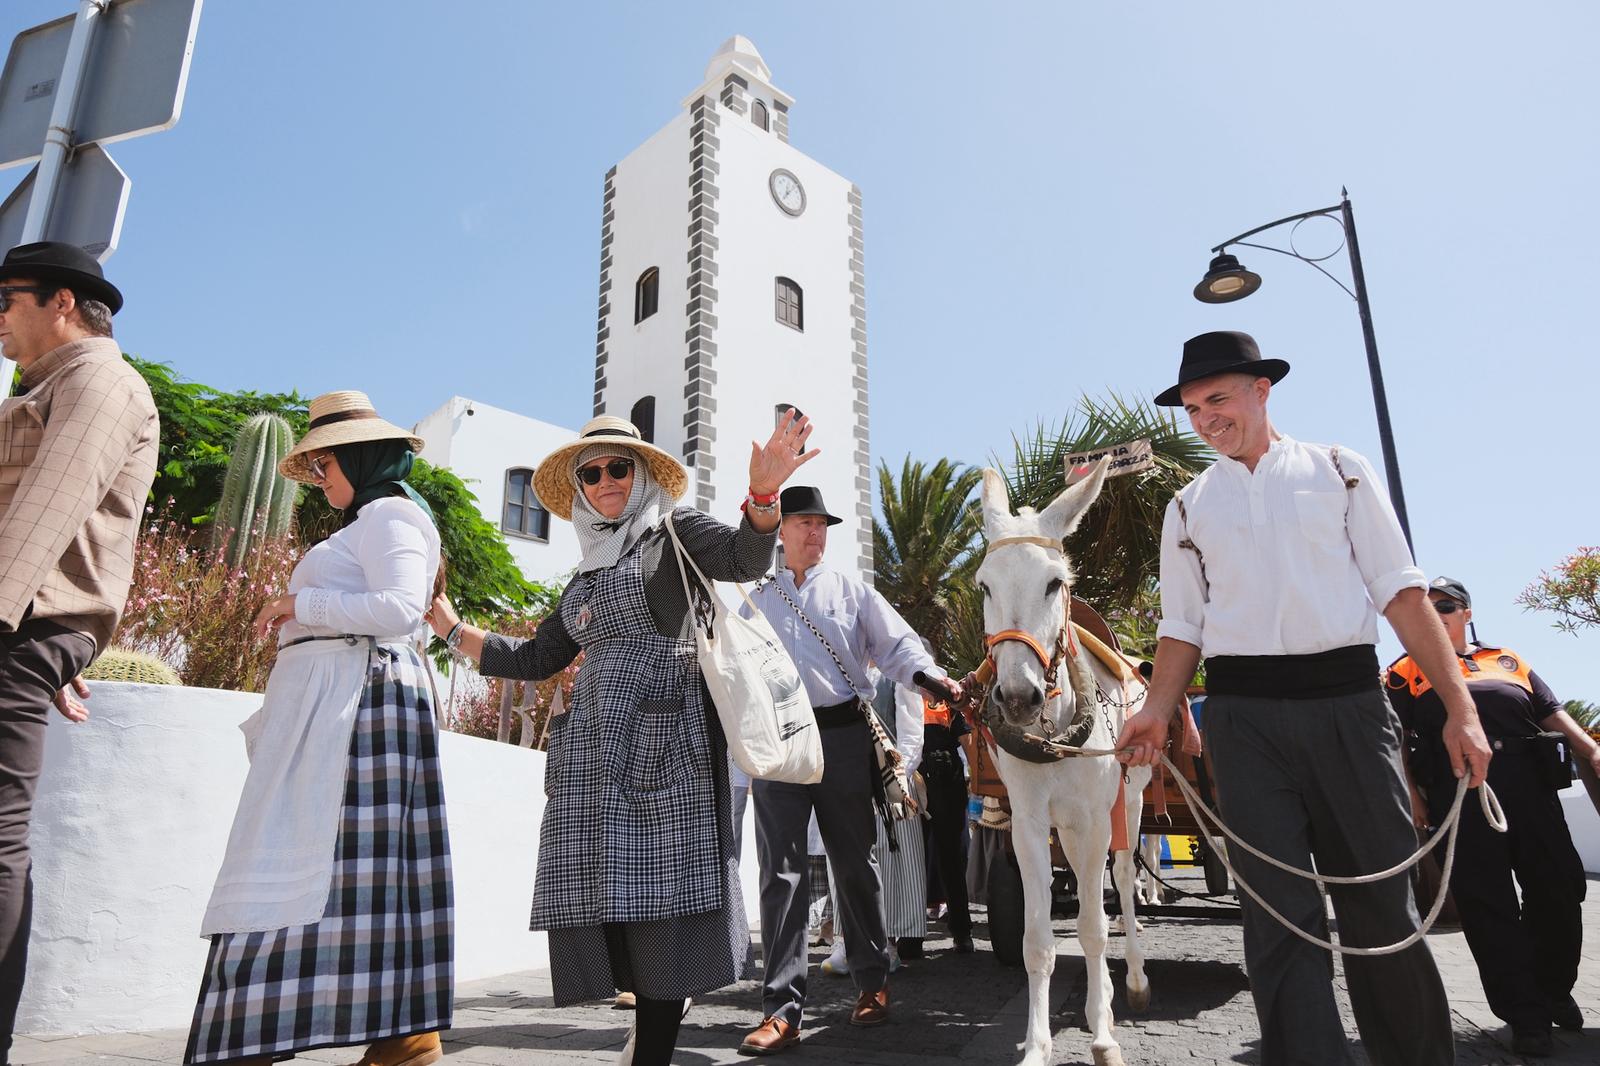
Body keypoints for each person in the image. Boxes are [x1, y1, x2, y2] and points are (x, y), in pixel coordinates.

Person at [1114, 331, 1492, 1066]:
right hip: (1244, 718)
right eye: (1192, 408)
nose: (1204, 419)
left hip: (1349, 704)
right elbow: (1183, 626)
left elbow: (1402, 595)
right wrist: (1158, 709)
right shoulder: (1187, 508)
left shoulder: (1340, 471)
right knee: (1275, 918)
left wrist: (1461, 706)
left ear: (1262, 389)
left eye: (1217, 399)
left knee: (1381, 905)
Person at [425, 412, 815, 1066]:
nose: (606, 480)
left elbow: (746, 558)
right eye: (592, 471)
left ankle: (652, 1054)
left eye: (619, 467)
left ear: (640, 476)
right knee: (614, 916)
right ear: (579, 487)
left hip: (669, 740)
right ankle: (654, 1026)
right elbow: (537, 656)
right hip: (595, 753)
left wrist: (764, 498)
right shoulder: (584, 576)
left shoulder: (675, 532)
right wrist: (448, 626)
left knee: (658, 914)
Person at [183, 392, 448, 1066]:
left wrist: (302, 602)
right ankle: (399, 1039)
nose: (322, 474)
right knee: (341, 871)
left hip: (358, 709)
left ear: (361, 455)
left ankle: (275, 1038)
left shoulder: (389, 515)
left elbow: (400, 608)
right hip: (337, 706)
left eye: (328, 460)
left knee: (321, 863)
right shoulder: (368, 521)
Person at [0, 241, 157, 1058]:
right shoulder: (56, 384)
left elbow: (49, 506)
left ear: (61, 302)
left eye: (6, 300)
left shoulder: (98, 379)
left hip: (17, 627)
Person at [739, 485, 963, 1055]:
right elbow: (733, 670)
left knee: (855, 865)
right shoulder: (755, 601)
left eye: (822, 525)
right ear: (781, 530)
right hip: (780, 744)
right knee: (779, 874)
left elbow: (898, 649)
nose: (816, 534)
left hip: (842, 737)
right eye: (805, 524)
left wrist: (931, 678)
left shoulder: (852, 591)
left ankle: (872, 983)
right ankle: (781, 1009)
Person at [1388, 576, 1595, 1056]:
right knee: (1488, 905)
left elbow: (1551, 711)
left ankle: (1554, 989)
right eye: (1425, 605)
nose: (1435, 611)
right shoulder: (1403, 670)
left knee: (1560, 888)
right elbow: (1393, 738)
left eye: (1446, 604)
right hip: (1458, 791)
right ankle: (1526, 1016)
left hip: (1529, 785)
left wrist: (1590, 750)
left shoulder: (1507, 660)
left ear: (1467, 613)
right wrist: (1413, 799)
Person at [918, 686, 975, 953]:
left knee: (952, 859)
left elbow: (967, 743)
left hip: (946, 786)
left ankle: (961, 932)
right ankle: (909, 936)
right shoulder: (896, 694)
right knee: (910, 860)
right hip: (911, 783)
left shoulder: (949, 701)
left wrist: (978, 782)